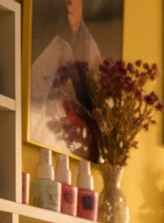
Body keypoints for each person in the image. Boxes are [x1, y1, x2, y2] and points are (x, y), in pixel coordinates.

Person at [29, 0, 104, 151]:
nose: (68, 4)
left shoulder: (86, 47)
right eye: (65, 2)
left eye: (73, 1)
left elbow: (93, 102)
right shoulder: (57, 42)